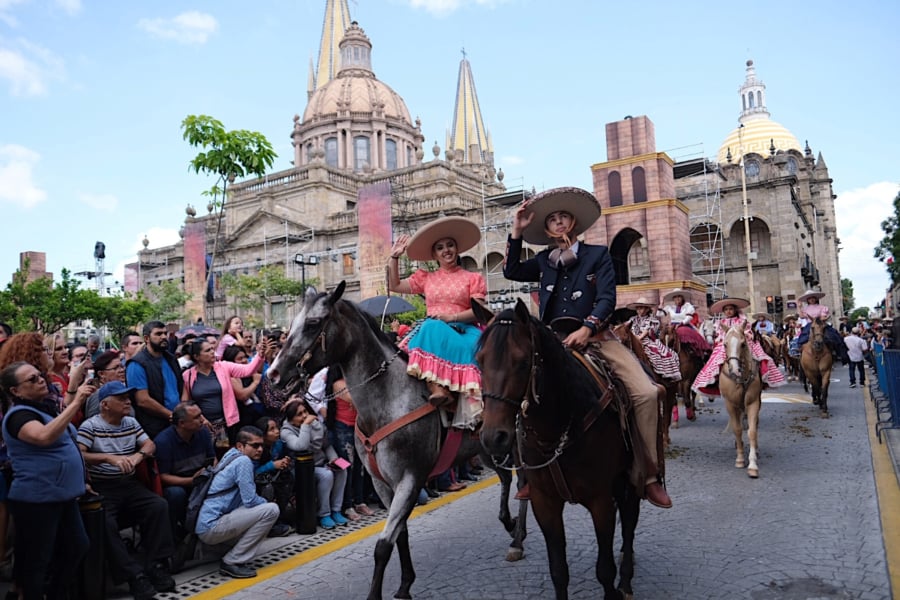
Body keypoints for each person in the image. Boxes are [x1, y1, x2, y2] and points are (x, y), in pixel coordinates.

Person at [503, 186, 671, 509]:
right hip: (553, 343)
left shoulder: (598, 255)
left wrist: (588, 327)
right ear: (548, 229)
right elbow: (511, 270)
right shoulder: (542, 261)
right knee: (518, 394)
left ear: (575, 223)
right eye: (552, 220)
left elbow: (608, 297)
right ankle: (529, 474)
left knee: (647, 394)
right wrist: (516, 232)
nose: (558, 222)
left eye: (563, 217)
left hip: (597, 339)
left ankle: (648, 475)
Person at [0, 361, 93, 600]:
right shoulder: (18, 416)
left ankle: (54, 594)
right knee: (37, 561)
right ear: (15, 391)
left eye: (39, 375)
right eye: (31, 379)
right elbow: (43, 437)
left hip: (63, 495)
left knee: (76, 546)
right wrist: (77, 403)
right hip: (37, 499)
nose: (41, 379)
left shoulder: (43, 408)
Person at [77, 381, 176, 599]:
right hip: (102, 486)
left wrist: (136, 457)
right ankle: (133, 575)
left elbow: (149, 445)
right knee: (105, 522)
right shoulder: (90, 426)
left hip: (128, 484)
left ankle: (156, 565)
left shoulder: (130, 422)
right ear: (105, 404)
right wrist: (106, 458)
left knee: (158, 506)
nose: (127, 402)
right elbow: (80, 454)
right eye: (121, 399)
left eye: (127, 398)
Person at [387, 216, 486, 426]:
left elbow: (479, 311)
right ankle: (436, 388)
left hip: (465, 330)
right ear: (434, 254)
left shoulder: (472, 278)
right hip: (434, 331)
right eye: (440, 247)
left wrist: (452, 317)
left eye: (450, 245)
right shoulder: (426, 278)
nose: (446, 250)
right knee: (424, 332)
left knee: (434, 328)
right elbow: (394, 285)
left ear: (457, 248)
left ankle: (458, 398)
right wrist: (394, 258)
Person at [195, 425, 280, 579]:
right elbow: (250, 500)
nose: (260, 449)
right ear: (241, 446)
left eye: (261, 445)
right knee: (271, 510)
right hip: (212, 526)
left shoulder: (231, 454)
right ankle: (232, 562)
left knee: (262, 510)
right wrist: (266, 502)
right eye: (255, 446)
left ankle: (225, 550)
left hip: (208, 524)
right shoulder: (243, 462)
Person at [181, 338, 266, 447]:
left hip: (225, 425)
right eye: (207, 350)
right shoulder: (187, 375)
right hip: (201, 425)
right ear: (197, 357)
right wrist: (201, 418)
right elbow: (185, 402)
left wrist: (260, 355)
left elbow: (248, 370)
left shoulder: (223, 366)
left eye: (212, 349)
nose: (212, 352)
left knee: (224, 454)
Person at [280, 397, 349, 530]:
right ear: (290, 419)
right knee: (326, 475)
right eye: (299, 415)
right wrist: (305, 425)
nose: (305, 416)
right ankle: (324, 514)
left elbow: (326, 446)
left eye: (305, 411)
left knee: (342, 469)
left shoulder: (316, 425)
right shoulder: (286, 431)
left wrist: (333, 459)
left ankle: (336, 510)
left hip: (321, 463)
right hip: (300, 469)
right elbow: (301, 446)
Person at [692, 298, 787, 394]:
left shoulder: (742, 320)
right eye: (726, 309)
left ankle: (762, 375)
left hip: (743, 340)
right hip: (727, 343)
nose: (728, 311)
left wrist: (747, 335)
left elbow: (747, 331)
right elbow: (720, 334)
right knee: (715, 359)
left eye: (731, 309)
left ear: (735, 310)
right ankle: (716, 380)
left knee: (758, 354)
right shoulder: (721, 322)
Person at [154, 401, 216, 542]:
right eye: (196, 417)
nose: (202, 420)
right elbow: (162, 476)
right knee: (176, 494)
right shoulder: (164, 442)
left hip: (202, 477)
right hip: (179, 482)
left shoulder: (203, 432)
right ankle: (176, 534)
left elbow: (213, 459)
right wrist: (190, 481)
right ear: (182, 423)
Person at [323, 365, 375, 520]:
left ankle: (359, 501)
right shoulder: (338, 383)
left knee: (360, 466)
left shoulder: (352, 381)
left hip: (357, 427)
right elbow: (358, 399)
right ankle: (347, 505)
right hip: (343, 428)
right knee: (348, 467)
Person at [127, 321, 183, 439]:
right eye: (158, 334)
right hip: (155, 427)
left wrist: (184, 412)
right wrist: (172, 416)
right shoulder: (137, 364)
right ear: (147, 338)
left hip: (179, 422)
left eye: (165, 333)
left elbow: (181, 387)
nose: (163, 337)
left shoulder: (171, 359)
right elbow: (143, 401)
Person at [252, 416, 294, 536]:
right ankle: (269, 525)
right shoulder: (257, 449)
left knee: (289, 478)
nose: (277, 431)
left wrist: (285, 461)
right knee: (268, 489)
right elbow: (253, 472)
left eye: (276, 427)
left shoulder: (278, 444)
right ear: (263, 435)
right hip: (260, 482)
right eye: (272, 429)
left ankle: (280, 518)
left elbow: (285, 456)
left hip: (276, 477)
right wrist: (272, 465)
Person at [625, 299, 681, 381]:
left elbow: (644, 333)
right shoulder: (633, 319)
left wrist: (636, 338)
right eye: (638, 308)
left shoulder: (652, 320)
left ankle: (663, 376)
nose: (639, 310)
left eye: (641, 308)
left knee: (657, 354)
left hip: (647, 341)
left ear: (647, 309)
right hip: (632, 340)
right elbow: (625, 326)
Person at [795, 290, 850, 364]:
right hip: (810, 325)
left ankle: (839, 353)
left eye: (813, 298)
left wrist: (819, 318)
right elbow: (801, 316)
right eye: (809, 298)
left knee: (834, 335)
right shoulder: (806, 309)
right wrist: (799, 306)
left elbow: (823, 317)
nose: (811, 299)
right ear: (807, 300)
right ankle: (800, 353)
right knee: (802, 338)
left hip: (821, 324)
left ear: (816, 298)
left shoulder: (822, 307)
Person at [660, 288, 711, 357]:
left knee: (683, 332)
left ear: (682, 298)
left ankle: (694, 352)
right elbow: (659, 314)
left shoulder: (687, 306)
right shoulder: (670, 307)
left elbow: (689, 317)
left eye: (679, 297)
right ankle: (665, 353)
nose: (677, 299)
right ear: (673, 299)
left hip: (684, 325)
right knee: (662, 334)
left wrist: (681, 324)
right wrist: (660, 305)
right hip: (672, 325)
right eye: (675, 297)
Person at [84, 349, 127, 419]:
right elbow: (93, 423)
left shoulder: (123, 389)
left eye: (122, 366)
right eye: (116, 368)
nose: (122, 370)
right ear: (101, 374)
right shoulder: (97, 395)